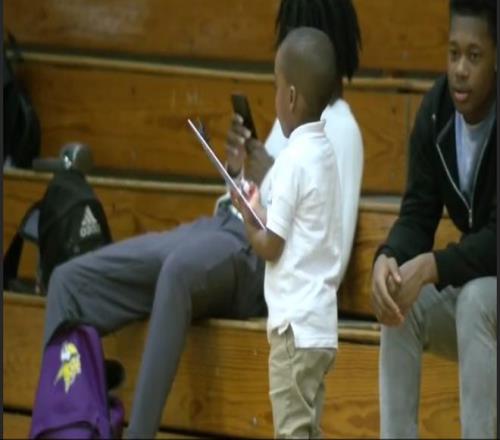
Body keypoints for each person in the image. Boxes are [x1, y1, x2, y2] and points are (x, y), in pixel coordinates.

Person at [42, 0, 363, 438]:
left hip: (253, 256)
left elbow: (327, 250)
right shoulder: (294, 121)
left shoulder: (339, 130)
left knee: (179, 270)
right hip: (221, 229)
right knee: (69, 281)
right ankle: (63, 426)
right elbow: (261, 191)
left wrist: (266, 178)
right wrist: (239, 170)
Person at [370, 0, 496, 438]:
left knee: (476, 298)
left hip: (486, 299)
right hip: (485, 297)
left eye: (474, 56)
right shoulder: (437, 111)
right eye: (453, 53)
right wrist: (388, 257)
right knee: (402, 300)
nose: (460, 69)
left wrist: (432, 265)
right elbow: (417, 212)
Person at [233, 27, 342, 438]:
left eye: (276, 87)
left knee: (292, 431)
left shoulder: (293, 160)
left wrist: (247, 220)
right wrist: (255, 205)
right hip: (320, 329)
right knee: (308, 428)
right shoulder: (324, 153)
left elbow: (271, 245)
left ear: (291, 96)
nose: (275, 97)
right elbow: (290, 222)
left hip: (293, 330)